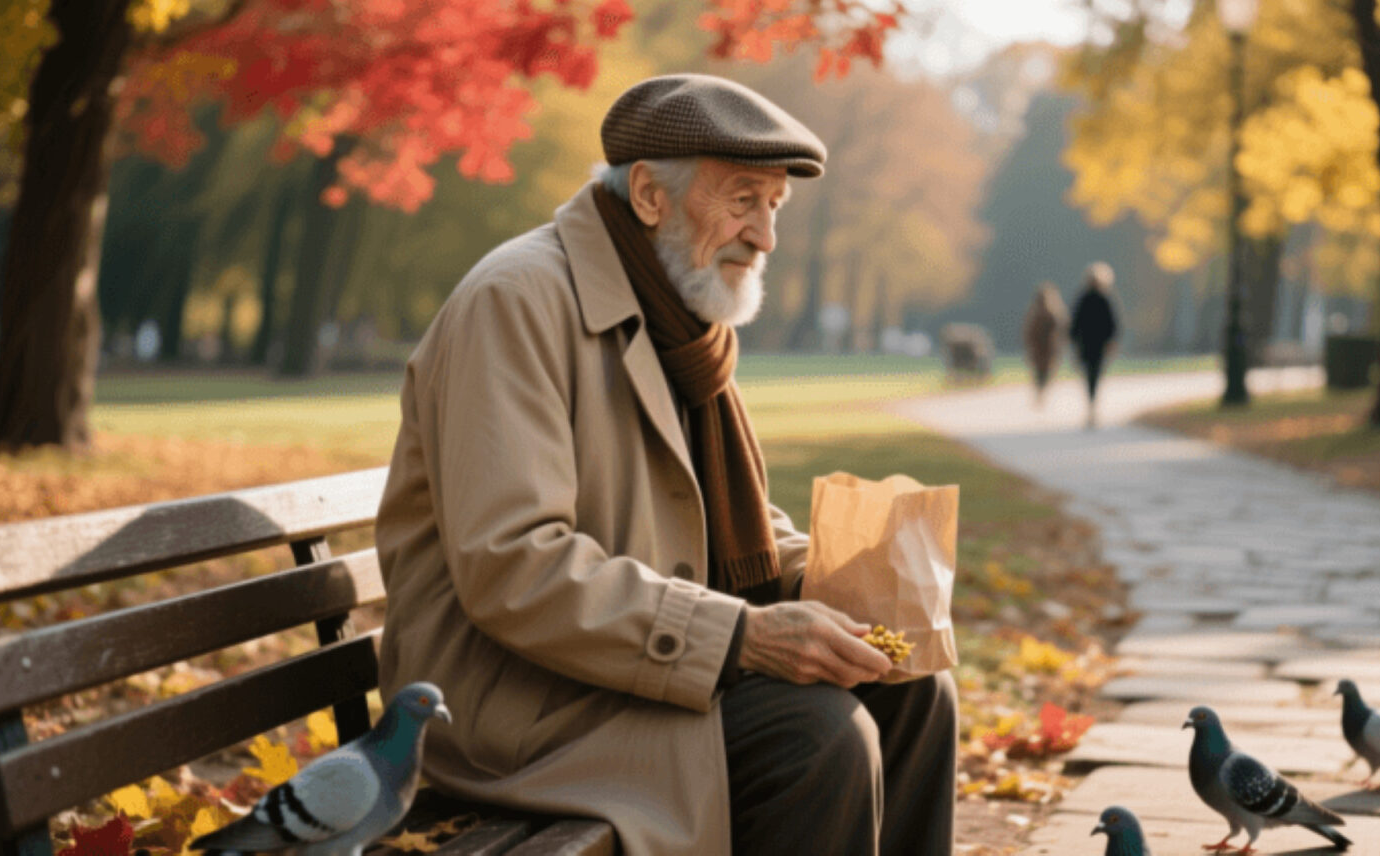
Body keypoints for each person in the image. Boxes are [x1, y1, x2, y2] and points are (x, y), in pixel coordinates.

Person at [375, 74, 957, 856]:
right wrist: (741, 636)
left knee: (914, 685)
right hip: (521, 707)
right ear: (649, 194)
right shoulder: (517, 301)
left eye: (774, 206)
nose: (765, 237)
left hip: (624, 671)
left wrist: (847, 584)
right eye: (742, 200)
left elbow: (720, 525)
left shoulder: (679, 312)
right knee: (817, 736)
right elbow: (513, 565)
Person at [1069, 262, 1120, 428]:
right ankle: (1092, 405)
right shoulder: (1091, 298)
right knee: (1092, 375)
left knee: (1093, 375)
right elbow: (1076, 323)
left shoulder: (1102, 299)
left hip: (1095, 344)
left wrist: (1111, 341)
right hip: (1089, 344)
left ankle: (1092, 405)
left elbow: (1112, 324)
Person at [1021, 282, 1068, 407]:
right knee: (1043, 372)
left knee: (1041, 372)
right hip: (1044, 349)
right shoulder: (1050, 313)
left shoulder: (1044, 313)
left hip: (1044, 349)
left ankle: (1040, 391)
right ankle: (1041, 391)